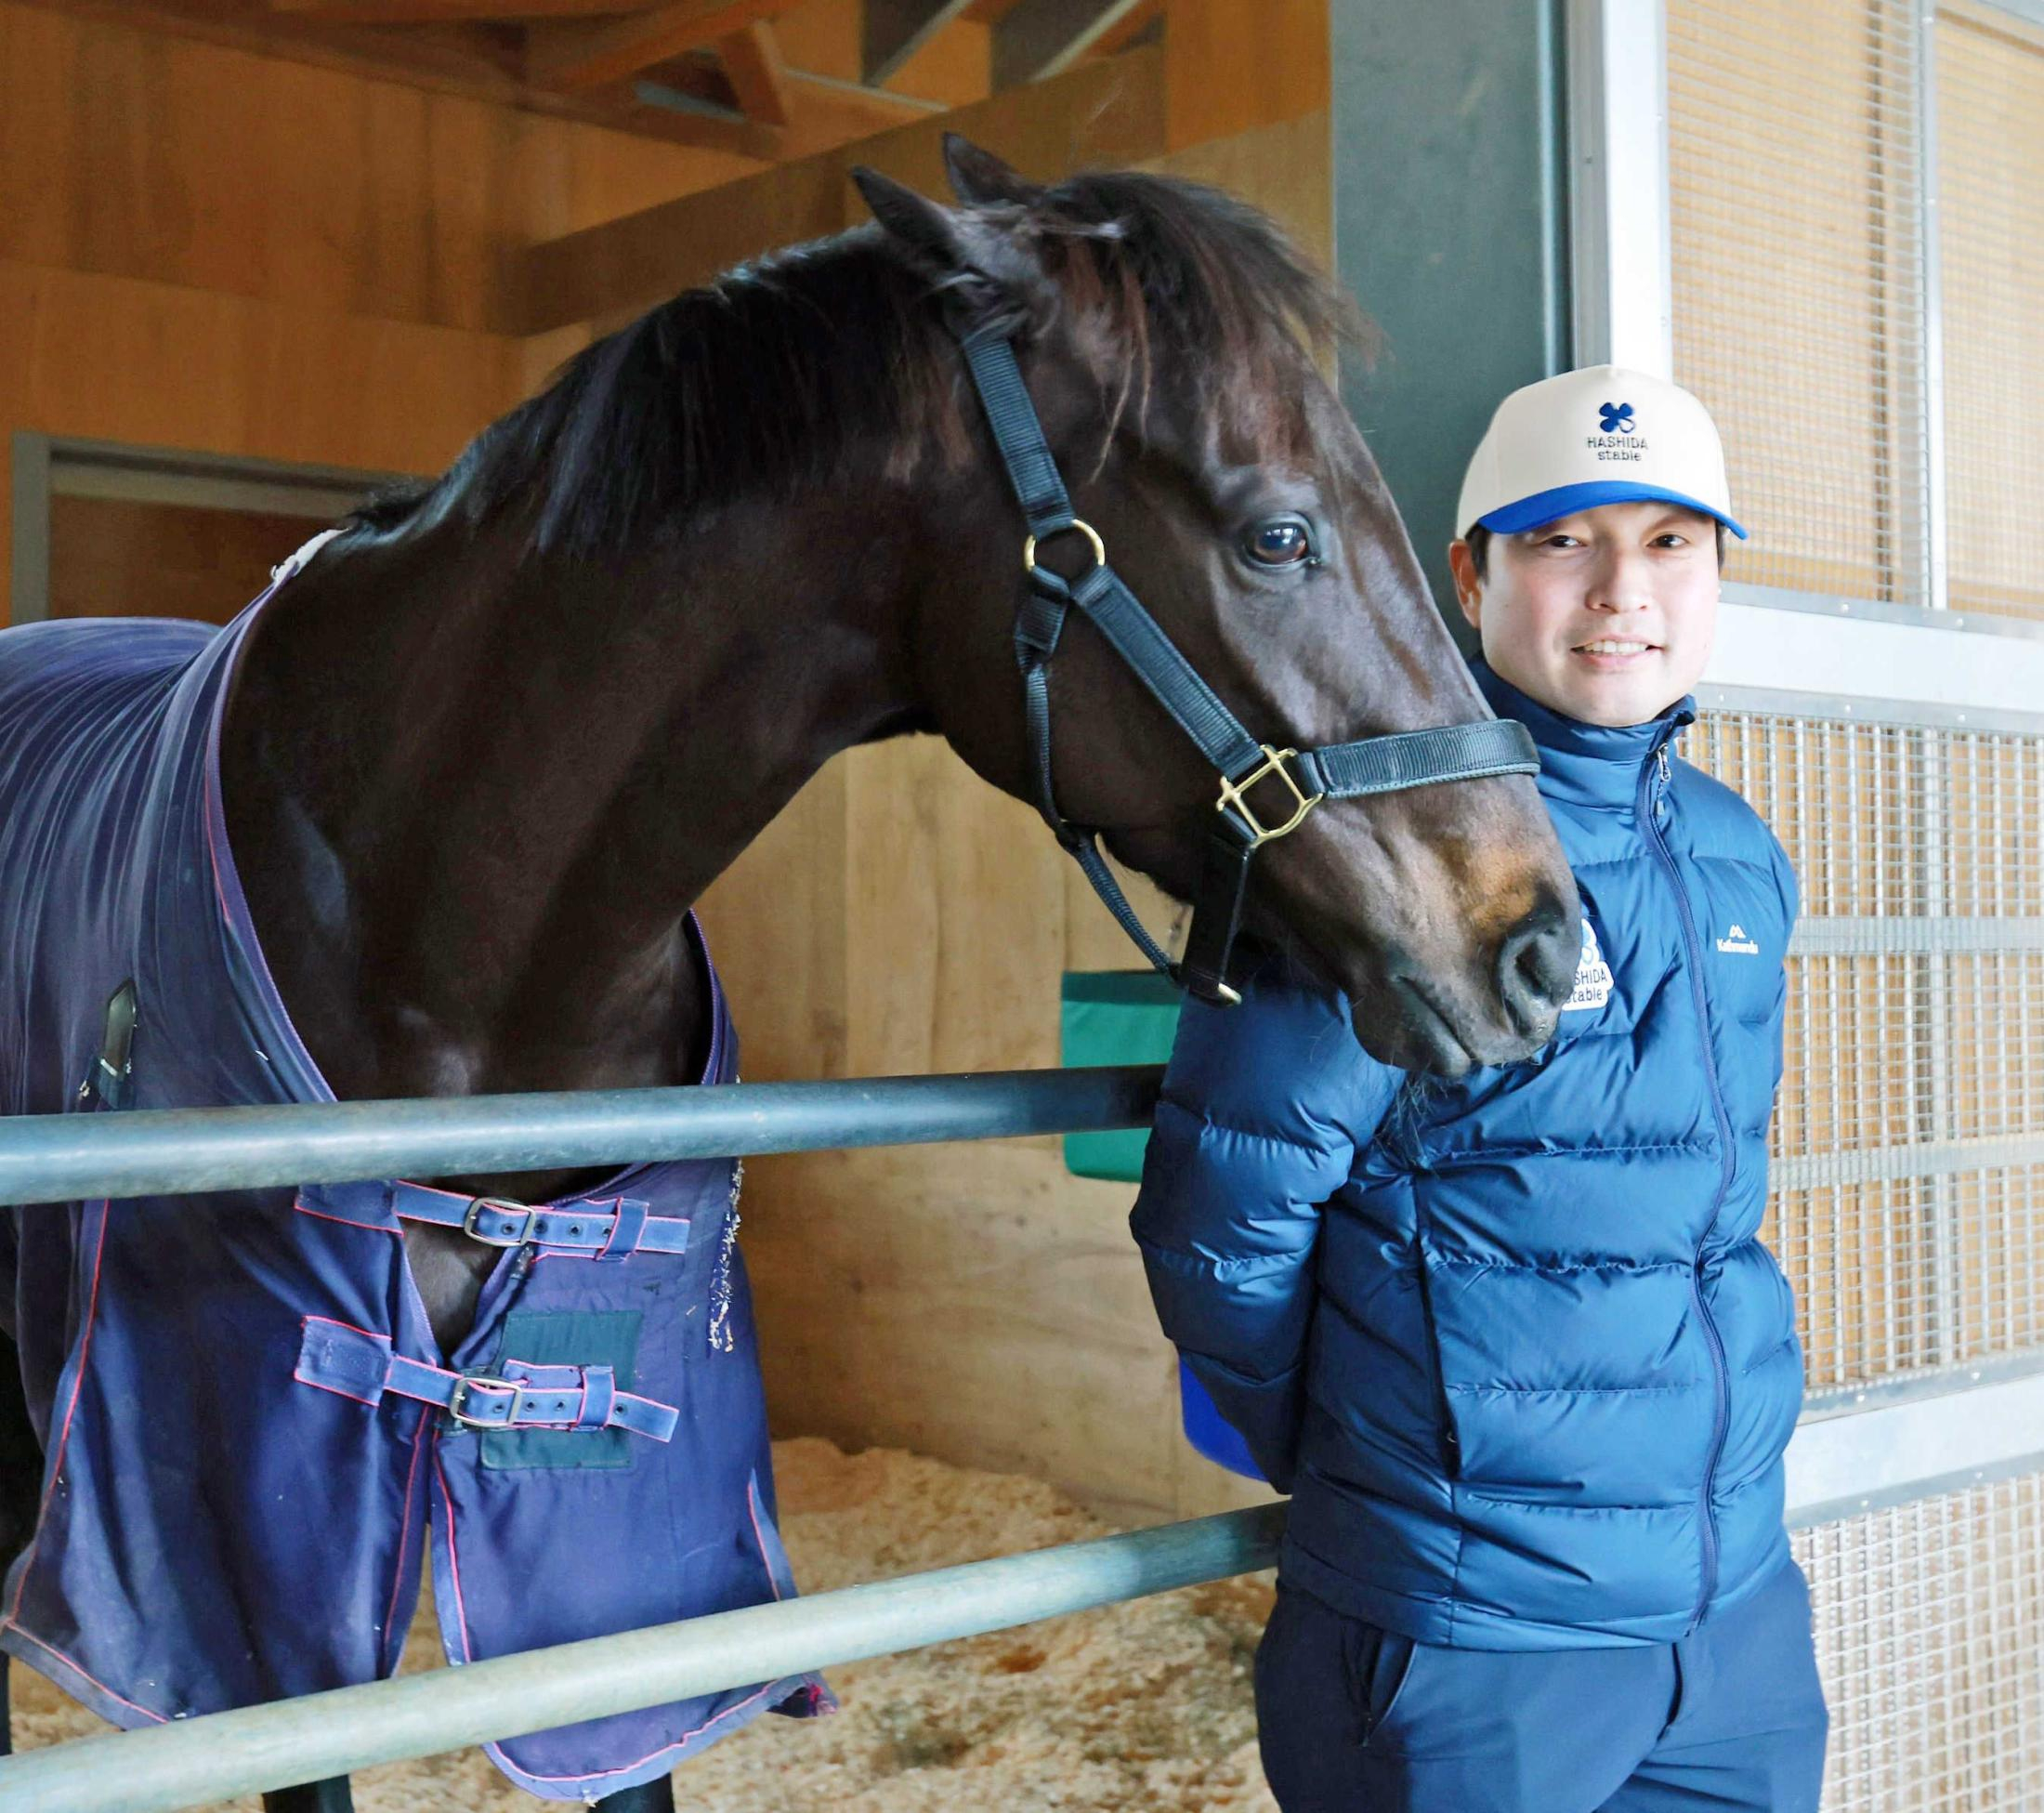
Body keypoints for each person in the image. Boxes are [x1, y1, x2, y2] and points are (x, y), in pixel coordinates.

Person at [1130, 365, 1829, 1811]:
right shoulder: (1375, 859)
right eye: (1566, 539)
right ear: (1470, 572)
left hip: (1734, 1609)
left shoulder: (1735, 851)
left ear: (1713, 572)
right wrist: (1384, 1461)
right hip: (1471, 1636)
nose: (1622, 589)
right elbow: (1221, 1219)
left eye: (1670, 541)